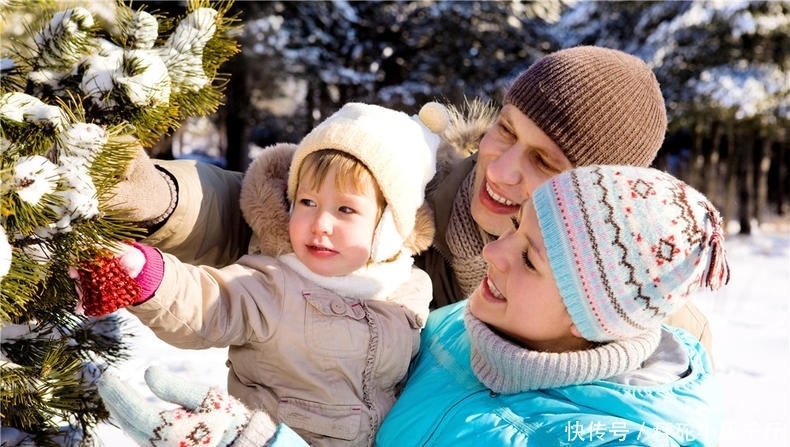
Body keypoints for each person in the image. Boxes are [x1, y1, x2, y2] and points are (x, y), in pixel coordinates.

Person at [107, 46, 715, 355]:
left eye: (545, 161)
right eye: (507, 129)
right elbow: (267, 204)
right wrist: (156, 195)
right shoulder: (408, 187)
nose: (499, 169)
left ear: (596, 196)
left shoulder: (643, 326)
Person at [97, 164, 730, 446]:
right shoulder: (459, 328)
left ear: (596, 319)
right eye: (514, 230)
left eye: (532, 257)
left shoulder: (611, 441)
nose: (499, 256)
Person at [73, 102, 450, 447]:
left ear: (388, 227)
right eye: (307, 202)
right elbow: (210, 303)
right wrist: (150, 277)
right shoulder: (273, 281)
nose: (320, 223)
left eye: (345, 210)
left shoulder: (410, 290)